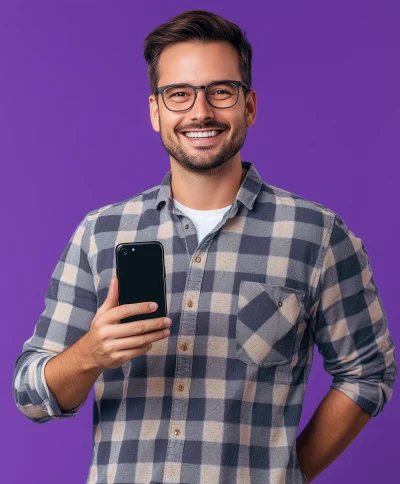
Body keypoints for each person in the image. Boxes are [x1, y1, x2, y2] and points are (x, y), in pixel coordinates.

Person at [13, 9, 397, 484]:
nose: (200, 112)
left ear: (249, 106)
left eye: (220, 91)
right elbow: (31, 394)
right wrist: (91, 352)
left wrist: (290, 474)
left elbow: (368, 373)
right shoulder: (100, 233)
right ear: (156, 111)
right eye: (179, 95)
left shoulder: (316, 236)